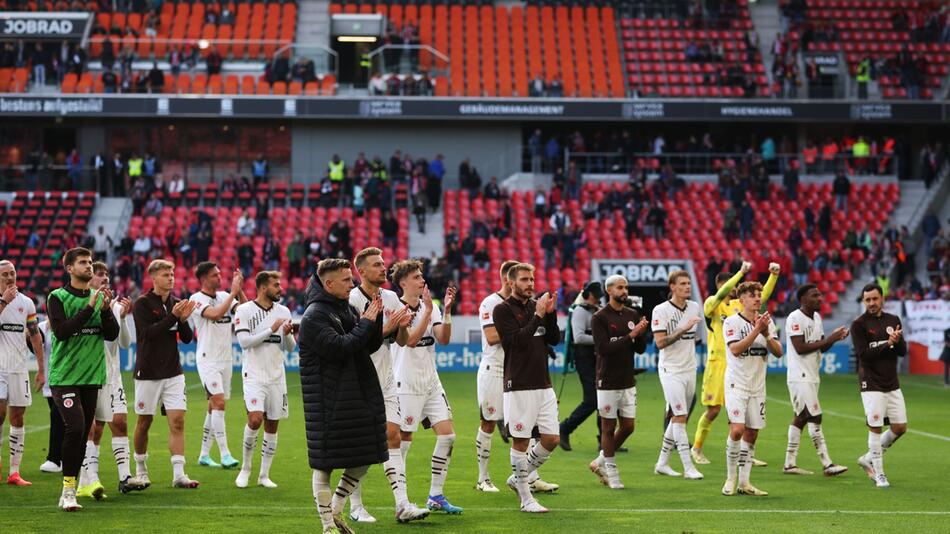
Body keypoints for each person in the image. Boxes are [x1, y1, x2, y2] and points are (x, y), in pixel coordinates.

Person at [298, 258, 386, 534]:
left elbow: (367, 344)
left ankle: (336, 509)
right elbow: (339, 347)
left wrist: (375, 315)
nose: (353, 284)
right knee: (324, 465)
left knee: (365, 457)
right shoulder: (313, 316)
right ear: (329, 283)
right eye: (347, 280)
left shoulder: (343, 309)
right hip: (326, 401)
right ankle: (328, 527)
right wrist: (366, 322)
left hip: (351, 395)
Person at [345, 248, 428, 523]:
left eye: (383, 263)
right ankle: (355, 507)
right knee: (362, 445)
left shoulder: (390, 297)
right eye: (376, 265)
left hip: (387, 379)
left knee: (393, 436)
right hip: (360, 381)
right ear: (362, 271)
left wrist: (401, 325)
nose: (383, 268)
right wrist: (387, 326)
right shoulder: (352, 300)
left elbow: (402, 341)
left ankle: (402, 505)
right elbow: (356, 343)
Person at [46, 248, 120, 510]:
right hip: (65, 376)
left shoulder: (98, 297)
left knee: (81, 435)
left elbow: (111, 335)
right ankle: (67, 491)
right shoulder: (57, 297)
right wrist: (90, 308)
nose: (88, 266)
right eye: (82, 263)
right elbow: (63, 332)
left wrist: (107, 310)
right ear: (69, 268)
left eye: (90, 262)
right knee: (76, 428)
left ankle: (72, 488)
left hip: (92, 376)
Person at [390, 259, 463, 515]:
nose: (422, 280)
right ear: (403, 282)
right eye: (416, 277)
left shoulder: (428, 306)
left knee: (448, 436)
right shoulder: (395, 307)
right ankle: (403, 500)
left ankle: (436, 495)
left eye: (421, 276)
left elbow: (443, 339)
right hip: (405, 382)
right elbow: (410, 341)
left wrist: (447, 310)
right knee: (403, 441)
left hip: (431, 381)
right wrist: (429, 313)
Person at [692, 262, 777, 466]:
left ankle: (744, 453)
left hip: (740, 365)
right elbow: (722, 294)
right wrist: (740, 273)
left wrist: (773, 275)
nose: (732, 288)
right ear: (722, 285)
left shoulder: (739, 306)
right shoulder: (712, 303)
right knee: (713, 410)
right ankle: (697, 448)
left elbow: (761, 297)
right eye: (729, 285)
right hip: (717, 363)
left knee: (742, 416)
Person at [76, 261, 148, 500]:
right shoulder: (82, 304)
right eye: (99, 274)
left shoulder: (117, 306)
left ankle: (125, 477)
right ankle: (91, 478)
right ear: (89, 279)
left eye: (107, 274)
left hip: (112, 377)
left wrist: (125, 318)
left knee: (120, 424)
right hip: (89, 375)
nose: (105, 278)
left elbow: (126, 343)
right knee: (91, 428)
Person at [493, 263, 561, 513]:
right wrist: (539, 316)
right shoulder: (502, 310)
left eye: (532, 279)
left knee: (552, 438)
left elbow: (554, 339)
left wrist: (550, 314)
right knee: (521, 441)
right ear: (511, 283)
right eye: (524, 279)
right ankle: (526, 499)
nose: (530, 284)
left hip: (543, 383)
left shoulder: (537, 308)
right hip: (518, 384)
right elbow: (516, 343)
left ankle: (518, 477)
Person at [131, 259, 200, 489]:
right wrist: (173, 317)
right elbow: (147, 334)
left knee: (178, 421)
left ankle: (179, 474)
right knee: (144, 422)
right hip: (148, 372)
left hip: (173, 372)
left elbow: (188, 338)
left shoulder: (177, 303)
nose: (170, 278)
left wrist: (182, 320)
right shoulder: (141, 303)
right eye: (165, 274)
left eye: (172, 274)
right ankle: (140, 469)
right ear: (153, 278)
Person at [233, 271, 295, 489]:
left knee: (272, 424)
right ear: (262, 287)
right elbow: (245, 343)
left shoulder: (284, 311)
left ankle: (264, 475)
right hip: (254, 376)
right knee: (255, 419)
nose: (280, 288)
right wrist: (271, 328)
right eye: (276, 285)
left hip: (277, 376)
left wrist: (286, 333)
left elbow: (290, 348)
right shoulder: (245, 310)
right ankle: (245, 469)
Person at [722, 282, 783, 497]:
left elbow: (778, 352)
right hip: (736, 384)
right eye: (752, 295)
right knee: (737, 429)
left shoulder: (767, 322)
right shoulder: (731, 322)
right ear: (742, 300)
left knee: (752, 433)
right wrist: (756, 330)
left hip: (758, 386)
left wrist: (766, 334)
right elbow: (736, 350)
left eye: (759, 295)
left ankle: (745, 482)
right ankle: (730, 478)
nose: (758, 298)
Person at [782, 284, 849, 477]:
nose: (820, 298)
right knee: (815, 416)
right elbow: (800, 347)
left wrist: (834, 339)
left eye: (820, 295)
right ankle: (827, 464)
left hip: (812, 375)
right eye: (814, 295)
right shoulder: (795, 318)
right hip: (800, 376)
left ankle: (789, 463)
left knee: (801, 417)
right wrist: (830, 339)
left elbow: (821, 347)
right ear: (803, 299)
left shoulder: (817, 318)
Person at [588, 275, 648, 489]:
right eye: (620, 287)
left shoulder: (632, 314)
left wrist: (641, 332)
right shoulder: (600, 317)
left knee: (629, 426)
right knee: (608, 427)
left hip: (627, 379)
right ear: (609, 290)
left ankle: (600, 461)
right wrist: (631, 335)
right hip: (607, 380)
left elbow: (640, 349)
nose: (625, 291)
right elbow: (603, 349)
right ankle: (612, 474)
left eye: (626, 287)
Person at [189, 262, 246, 469]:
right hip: (207, 359)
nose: (220, 277)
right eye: (215, 275)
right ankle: (225, 454)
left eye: (220, 274)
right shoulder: (196, 299)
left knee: (214, 406)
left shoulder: (224, 296)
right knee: (219, 403)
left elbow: (243, 311)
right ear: (204, 278)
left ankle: (204, 454)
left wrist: (239, 292)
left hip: (225, 359)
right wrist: (232, 292)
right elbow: (215, 314)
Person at [851, 283, 908, 489]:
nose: (872, 303)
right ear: (863, 301)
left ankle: (868, 458)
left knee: (900, 427)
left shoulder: (893, 320)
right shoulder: (859, 324)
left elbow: (902, 351)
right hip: (871, 381)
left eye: (875, 299)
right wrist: (887, 344)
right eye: (867, 300)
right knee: (875, 426)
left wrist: (896, 341)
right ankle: (879, 474)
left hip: (891, 381)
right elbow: (864, 355)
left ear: (882, 298)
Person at [651, 270, 704, 480]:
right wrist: (682, 328)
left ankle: (662, 463)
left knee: (676, 417)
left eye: (689, 283)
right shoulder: (660, 310)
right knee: (680, 416)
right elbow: (660, 343)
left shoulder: (694, 307)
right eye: (682, 283)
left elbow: (695, 339)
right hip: (670, 370)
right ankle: (688, 467)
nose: (687, 287)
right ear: (672, 287)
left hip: (690, 368)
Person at [0, 260, 45, 487]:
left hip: (19, 369)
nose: (10, 278)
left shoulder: (26, 302)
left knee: (18, 417)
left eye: (13, 273)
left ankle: (14, 472)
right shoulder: (4, 301)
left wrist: (41, 369)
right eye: (5, 274)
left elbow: (35, 335)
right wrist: (3, 302)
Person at [559, 282, 604, 450]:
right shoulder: (580, 311)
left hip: (596, 359)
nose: (598, 299)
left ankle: (604, 440)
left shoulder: (595, 310)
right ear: (587, 295)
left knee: (603, 398)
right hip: (585, 359)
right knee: (592, 400)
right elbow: (578, 338)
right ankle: (565, 428)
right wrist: (601, 340)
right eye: (595, 295)